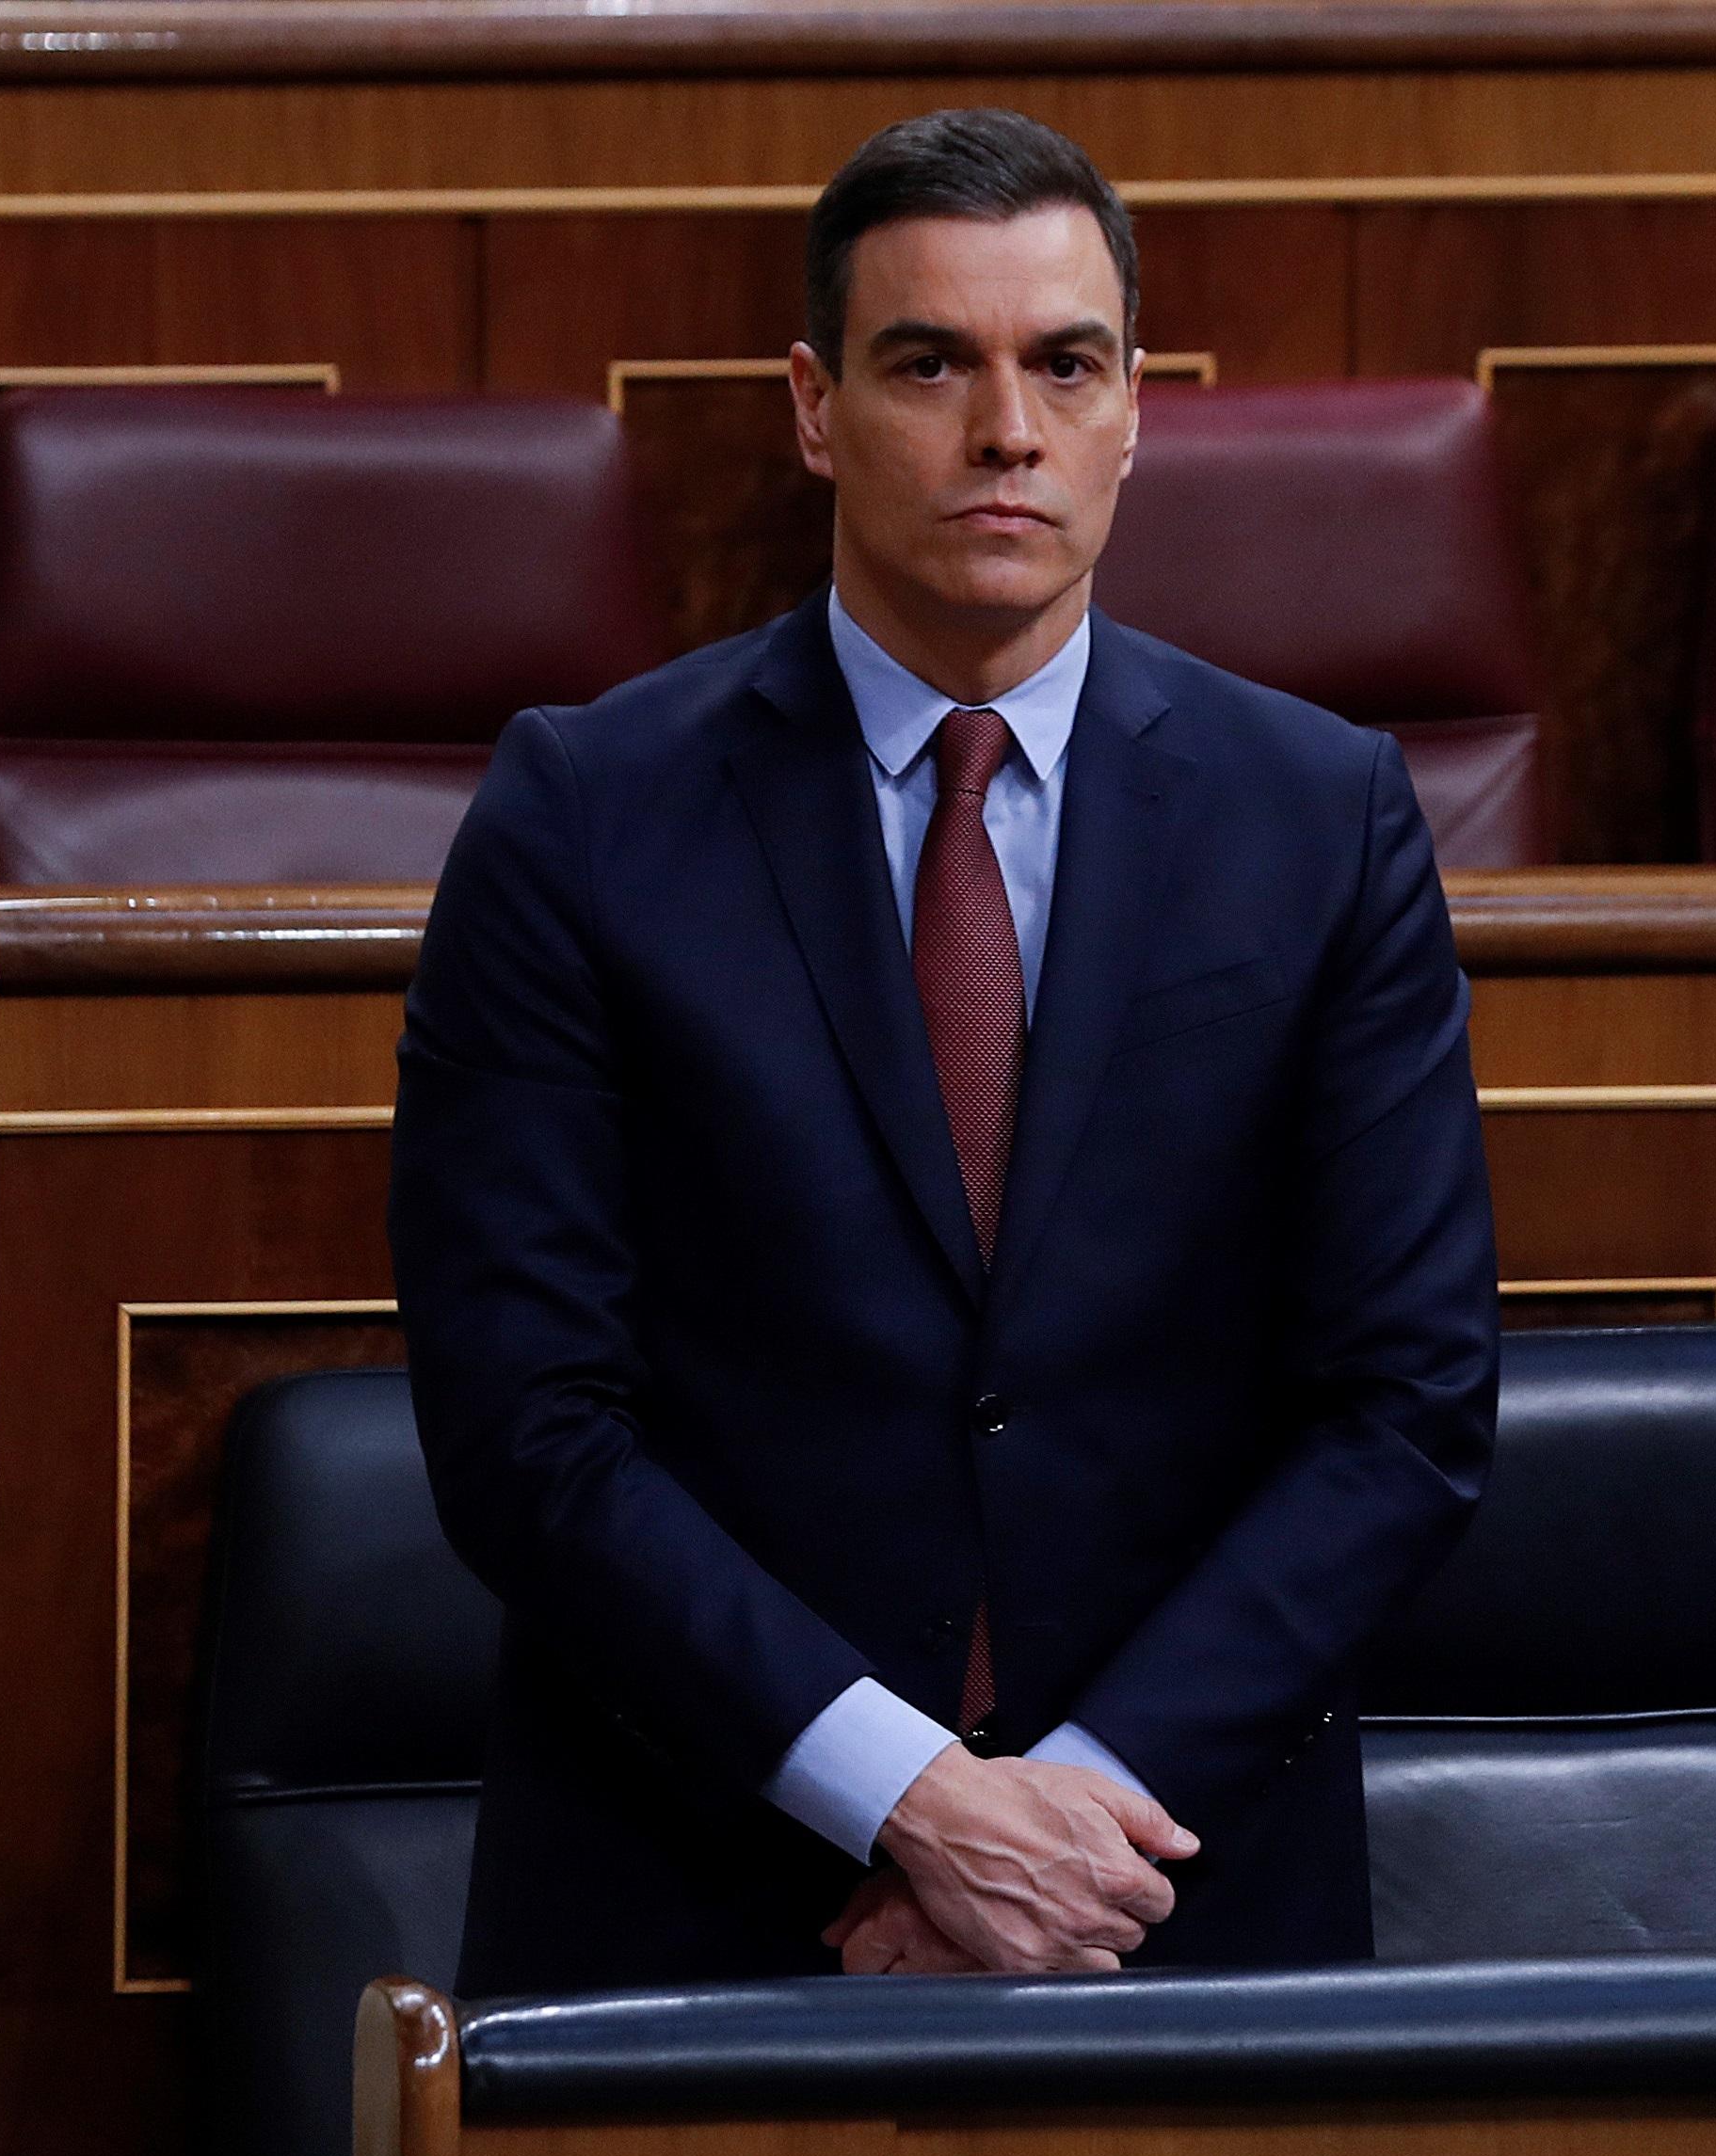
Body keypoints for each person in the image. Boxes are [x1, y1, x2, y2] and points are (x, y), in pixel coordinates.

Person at [391, 106, 1498, 1991]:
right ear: (816, 408)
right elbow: (527, 1426)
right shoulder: (583, 815)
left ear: (1136, 408)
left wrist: (1072, 1816)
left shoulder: (1321, 819)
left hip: (1177, 1892)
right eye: (933, 365)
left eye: (1065, 366)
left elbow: (1401, 1408)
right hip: (707, 1892)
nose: (1007, 431)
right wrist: (911, 1800)